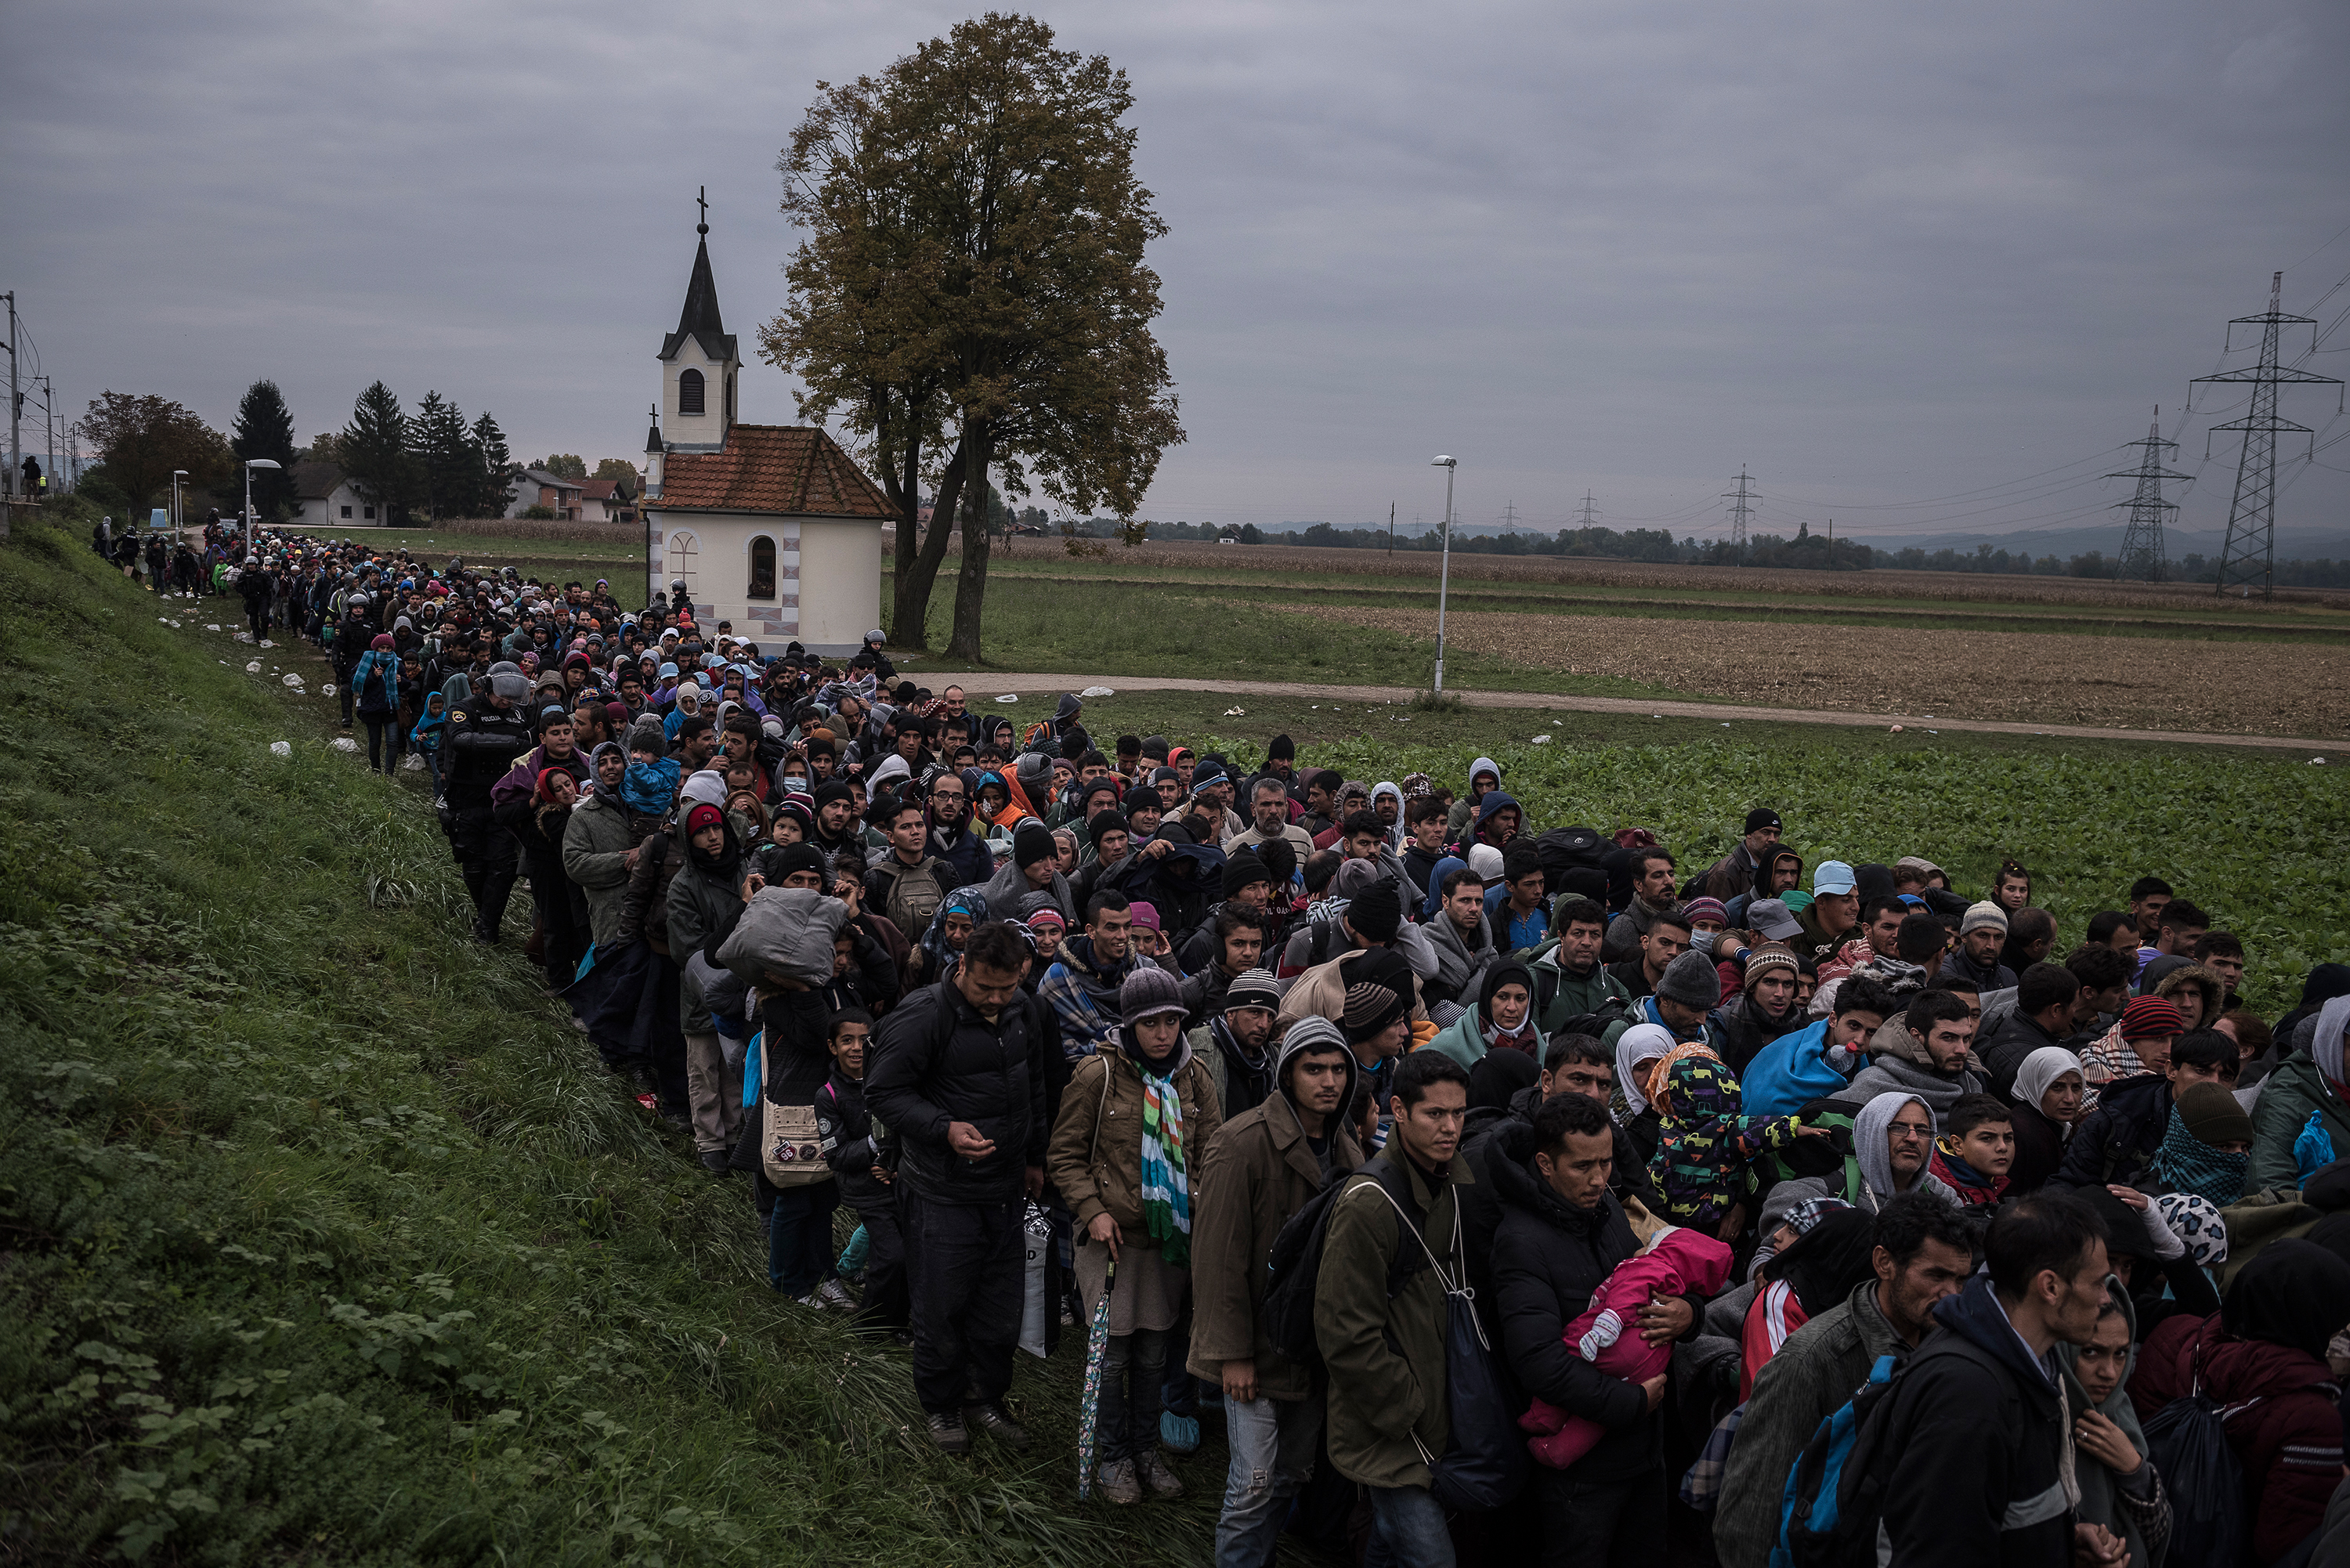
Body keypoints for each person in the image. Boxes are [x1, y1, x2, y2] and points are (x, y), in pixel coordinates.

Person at [1712, 1190, 1978, 1568]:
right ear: (1884, 1262)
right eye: (1935, 1276)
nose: (1951, 1295)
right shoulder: (1808, 1362)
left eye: (1960, 1279)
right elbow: (1752, 1514)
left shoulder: (1952, 1343)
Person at [1491, 1090, 1699, 1567]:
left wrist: (1688, 1314)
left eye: (1605, 1163)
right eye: (1582, 1167)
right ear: (1545, 1164)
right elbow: (1537, 1361)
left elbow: (1653, 1277)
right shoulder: (1522, 1242)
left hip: (1644, 1448)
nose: (1599, 1179)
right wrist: (1628, 1404)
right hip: (1584, 1468)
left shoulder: (1604, 1209)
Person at [865, 920, 1050, 1454]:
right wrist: (944, 1129)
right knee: (940, 1304)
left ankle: (984, 1396)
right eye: (984, 988)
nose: (994, 999)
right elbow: (882, 1092)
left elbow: (1032, 1083)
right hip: (941, 1191)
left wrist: (1033, 1156)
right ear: (961, 966)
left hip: (1004, 1187)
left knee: (999, 1305)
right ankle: (942, 1407)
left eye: (1005, 988)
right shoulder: (924, 1015)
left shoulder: (1025, 1010)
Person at [1188, 1017, 1362, 1566]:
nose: (1328, 1081)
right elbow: (1218, 1261)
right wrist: (1233, 1355)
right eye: (1314, 1069)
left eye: (1338, 1069)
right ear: (1288, 1075)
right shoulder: (1240, 1143)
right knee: (1253, 1484)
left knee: (1289, 1474)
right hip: (1256, 1351)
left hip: (1312, 1348)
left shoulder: (1346, 1149)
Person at [1050, 966, 1224, 1505]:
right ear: (1130, 1025)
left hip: (1169, 1239)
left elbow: (1212, 1157)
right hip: (1111, 1242)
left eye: (1173, 1020)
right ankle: (1115, 1456)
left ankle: (1146, 1450)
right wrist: (1093, 1210)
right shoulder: (1097, 1076)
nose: (1164, 1033)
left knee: (1155, 1352)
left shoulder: (1196, 1081)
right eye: (1151, 1023)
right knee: (1114, 1354)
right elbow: (1065, 1155)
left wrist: (1195, 1206)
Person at [1878, 1193, 2123, 1568]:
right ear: (2051, 1287)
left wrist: (2059, 1540)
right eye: (2098, 1282)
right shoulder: (1968, 1397)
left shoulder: (2033, 1365)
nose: (2106, 1299)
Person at [1313, 1050, 1472, 1568]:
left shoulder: (1450, 1183)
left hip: (1433, 1413)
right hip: (1391, 1426)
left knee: (1388, 1534)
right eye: (1435, 1114)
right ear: (1399, 1110)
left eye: (1459, 1114)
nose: (1450, 1128)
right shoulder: (1368, 1204)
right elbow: (1344, 1331)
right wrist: (1406, 1407)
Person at [2131, 1237, 2350, 1564]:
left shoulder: (2172, 1336)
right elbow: (2283, 1547)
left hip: (2139, 1540)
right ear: (2317, 1321)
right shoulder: (2313, 1418)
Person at [1187, 966, 1283, 1118]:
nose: (1264, 1024)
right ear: (1231, 1013)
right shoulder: (1201, 1050)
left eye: (1270, 1016)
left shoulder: (1271, 1059)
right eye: (1255, 1012)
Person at [2005, 1046, 2084, 1194]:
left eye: (2076, 1087)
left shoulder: (2053, 1125)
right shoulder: (2023, 1133)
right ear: (2035, 1085)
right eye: (2057, 1087)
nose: (2070, 1099)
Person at [1696, 807, 1783, 904]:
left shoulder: (1778, 865)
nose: (1772, 839)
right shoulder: (1726, 872)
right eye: (1765, 832)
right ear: (1749, 834)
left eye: (1777, 834)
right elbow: (1719, 915)